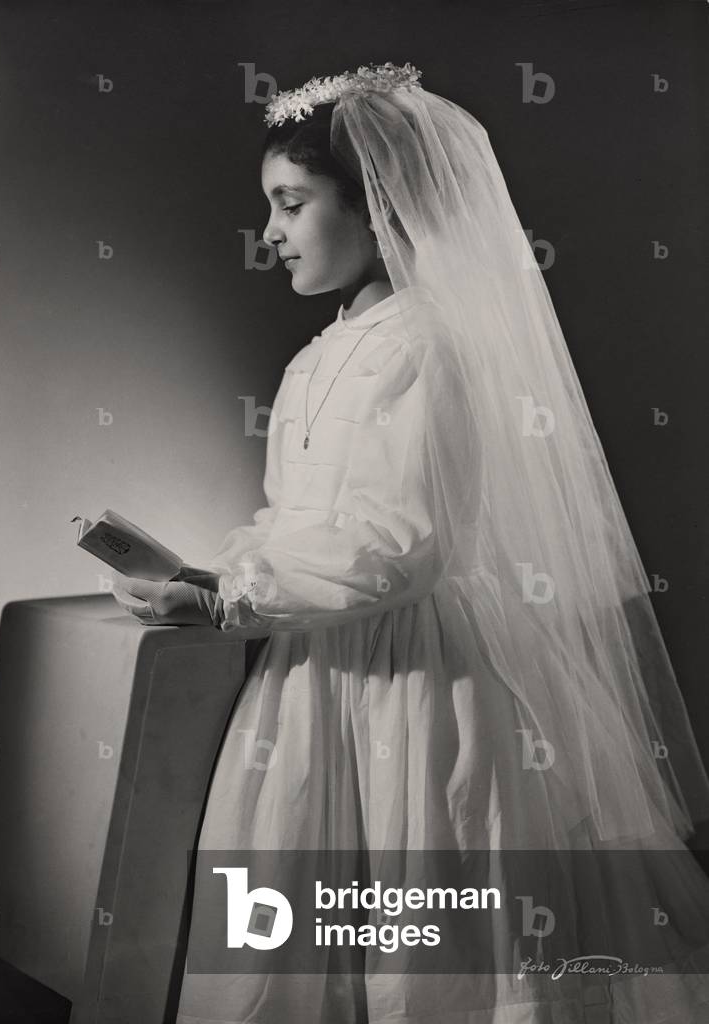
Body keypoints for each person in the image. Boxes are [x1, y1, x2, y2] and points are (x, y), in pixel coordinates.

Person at [111, 63, 709, 1023]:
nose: (270, 232)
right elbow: (302, 522)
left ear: (374, 204)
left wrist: (233, 601)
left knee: (425, 919)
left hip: (418, 683)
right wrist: (212, 572)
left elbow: (400, 545)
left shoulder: (430, 344)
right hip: (318, 677)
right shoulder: (315, 356)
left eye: (292, 203)